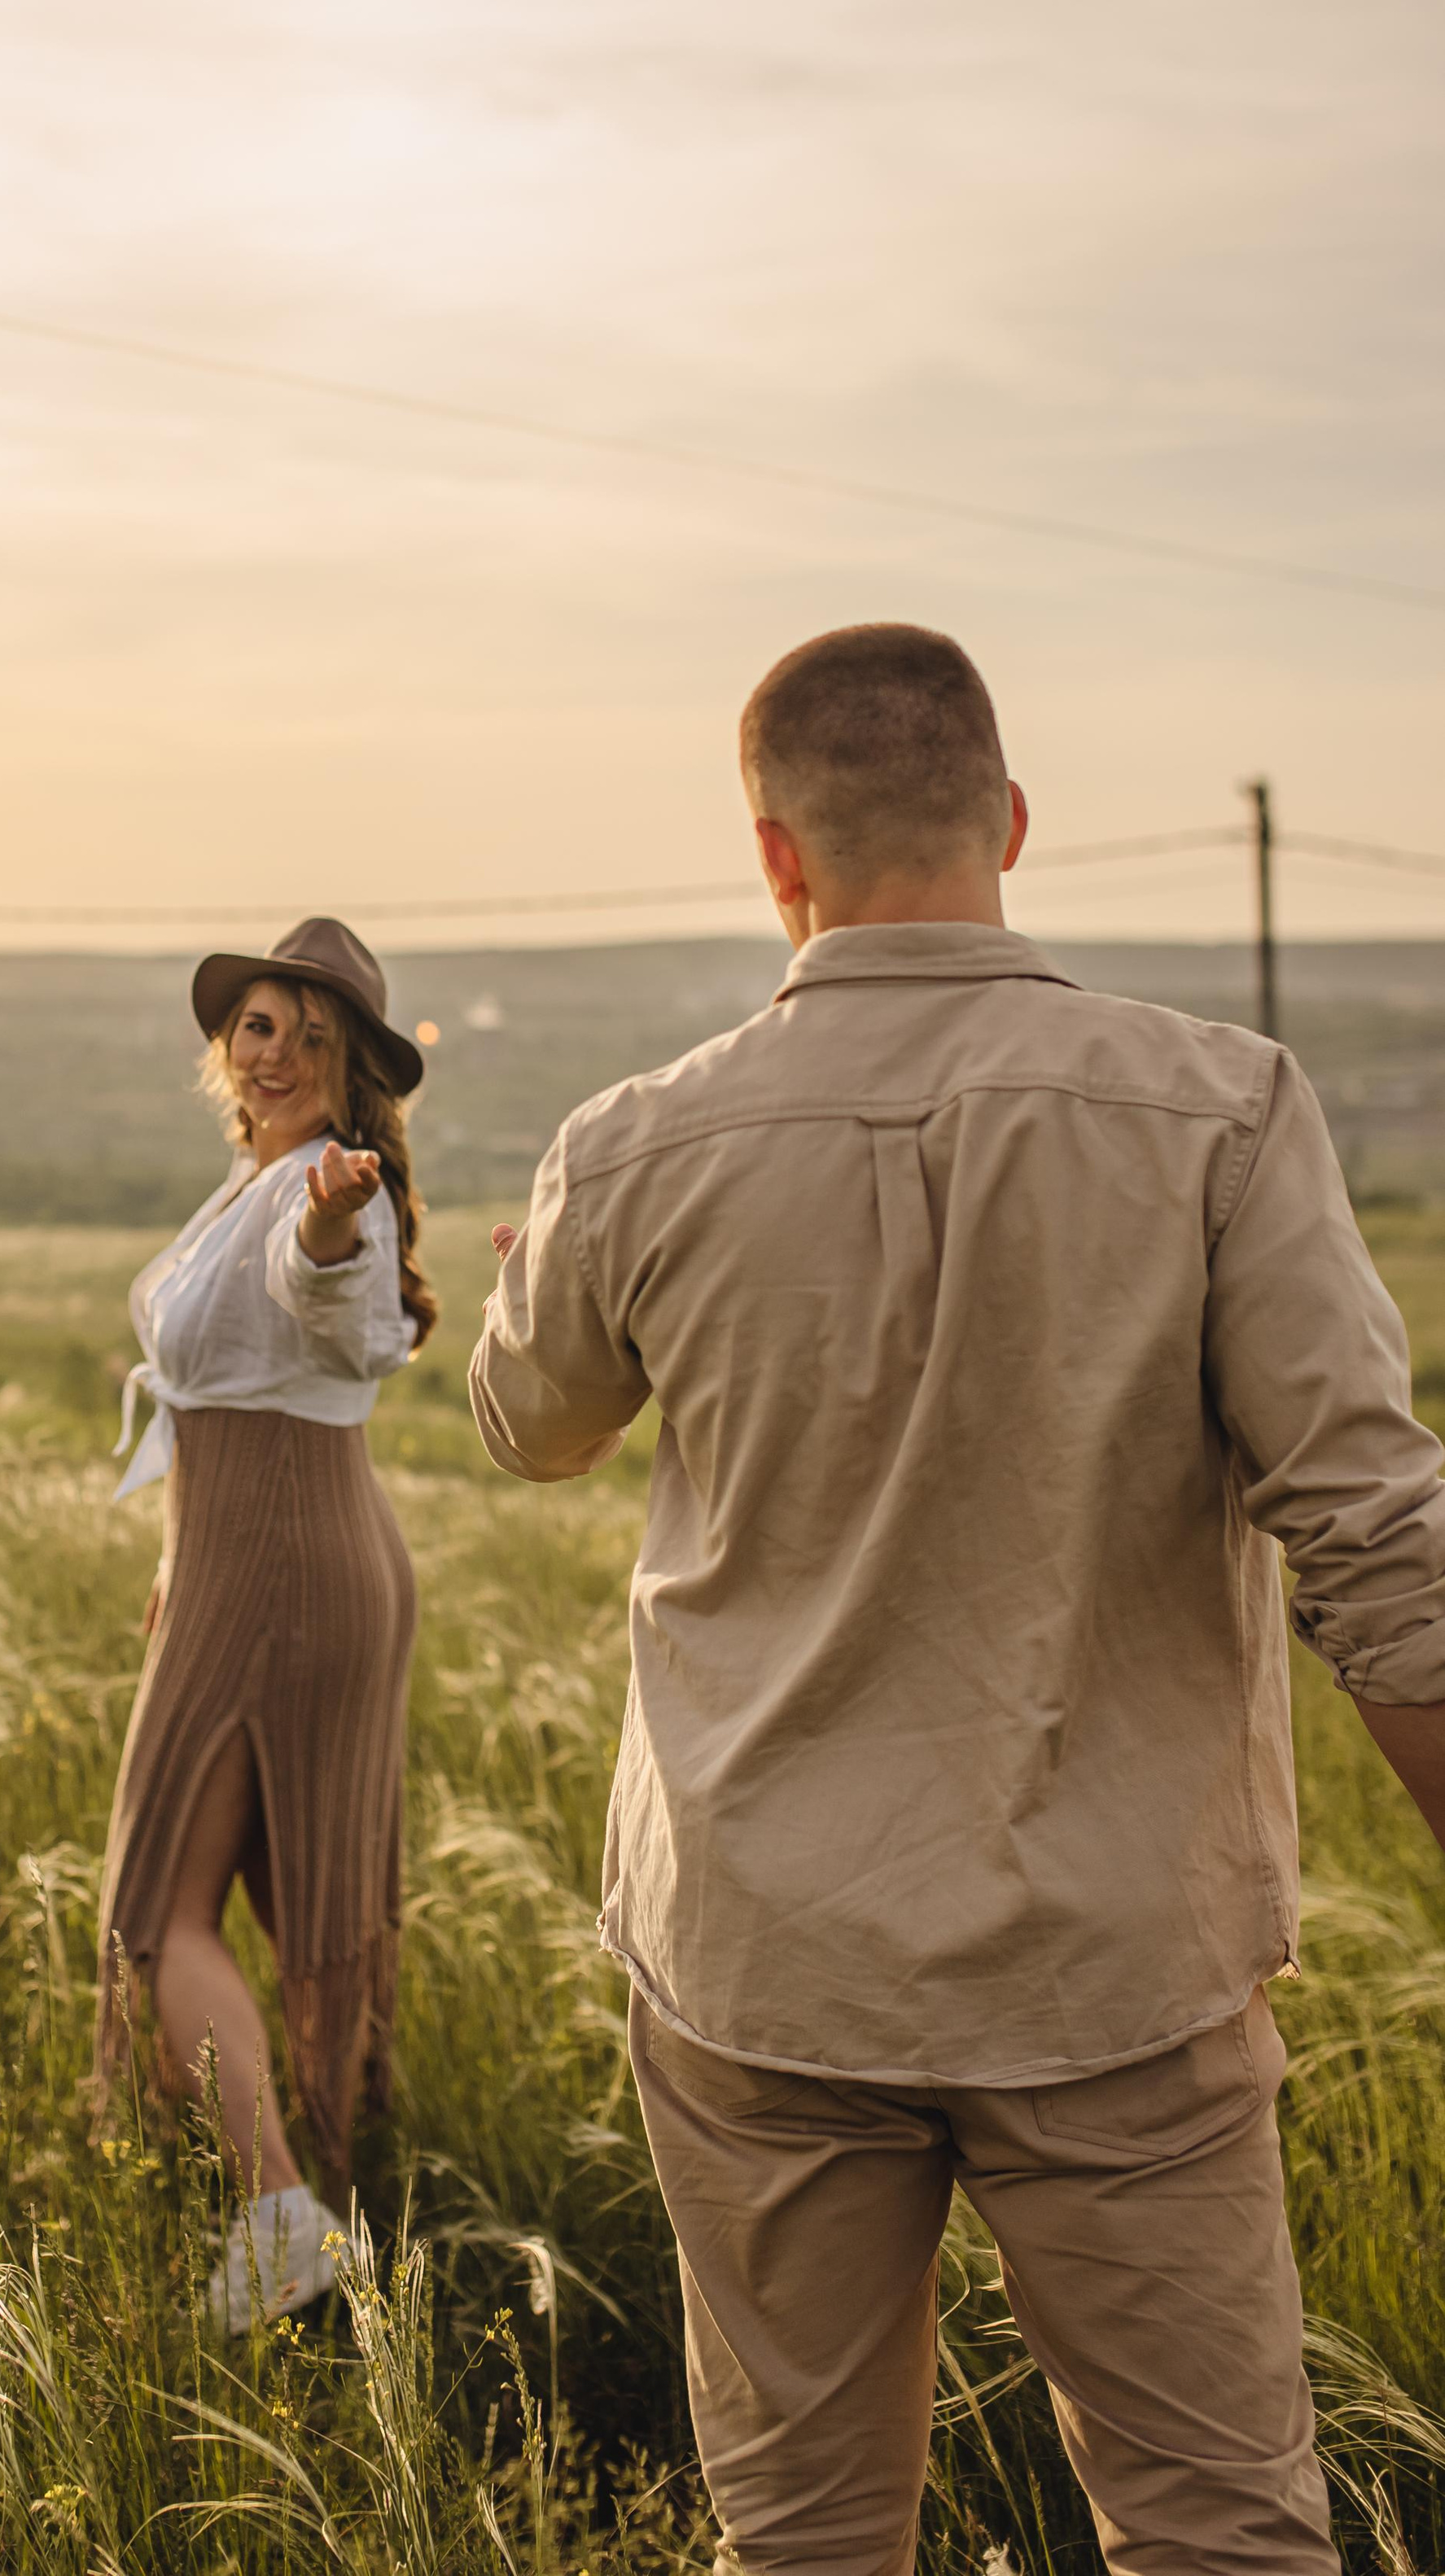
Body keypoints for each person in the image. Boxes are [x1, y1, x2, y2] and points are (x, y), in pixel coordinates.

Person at [468, 623, 1445, 2576]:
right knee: (1216, 2532)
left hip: (757, 1961)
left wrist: (533, 1273)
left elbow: (532, 1428)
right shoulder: (1219, 1109)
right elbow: (1379, 1543)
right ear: (1007, 821)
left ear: (773, 859)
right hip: (1112, 1963)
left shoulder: (631, 1143)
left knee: (805, 2534)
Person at [96, 916, 436, 2329]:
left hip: (287, 1562)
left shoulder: (318, 1195)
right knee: (258, 1891)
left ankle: (285, 2219)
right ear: (226, 1052)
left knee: (154, 1904)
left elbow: (334, 1310)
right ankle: (319, 2211)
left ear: (354, 1073)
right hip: (248, 1559)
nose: (281, 1052)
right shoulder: (247, 1183)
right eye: (258, 1027)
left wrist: (329, 1223)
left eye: (313, 1034)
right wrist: (181, 1552)